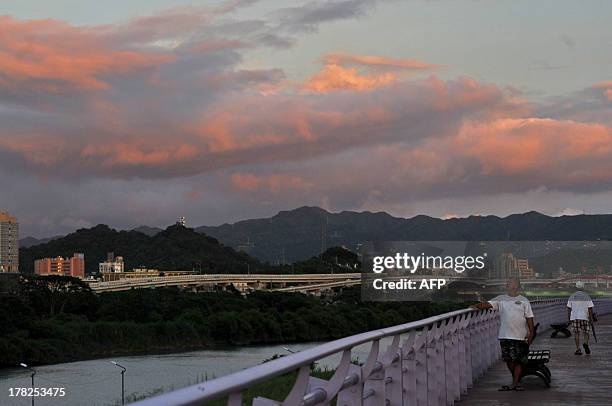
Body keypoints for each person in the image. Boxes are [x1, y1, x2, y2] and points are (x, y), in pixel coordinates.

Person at [472, 277, 535, 391]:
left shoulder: (524, 300)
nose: (507, 284)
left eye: (509, 282)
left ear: (516, 286)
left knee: (519, 360)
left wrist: (531, 332)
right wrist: (475, 306)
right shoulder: (501, 299)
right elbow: (488, 304)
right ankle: (516, 380)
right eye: (507, 282)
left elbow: (529, 317)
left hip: (521, 335)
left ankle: (515, 383)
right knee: (509, 360)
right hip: (505, 335)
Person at [567, 290, 594, 355]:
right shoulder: (587, 296)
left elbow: (568, 308)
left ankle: (578, 349)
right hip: (585, 317)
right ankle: (585, 343)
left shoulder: (572, 296)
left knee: (576, 333)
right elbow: (590, 308)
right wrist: (591, 318)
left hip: (575, 317)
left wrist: (569, 318)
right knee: (586, 332)